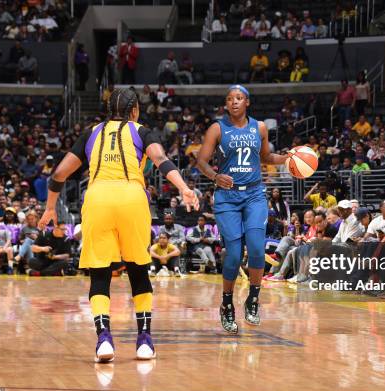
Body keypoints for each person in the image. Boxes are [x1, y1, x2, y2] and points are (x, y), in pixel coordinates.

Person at [38, 87, 198, 362]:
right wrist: (184, 188)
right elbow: (161, 160)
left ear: (109, 110)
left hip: (98, 198)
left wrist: (51, 206)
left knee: (100, 273)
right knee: (138, 270)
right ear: (134, 109)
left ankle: (103, 340)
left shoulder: (91, 132)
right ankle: (144, 340)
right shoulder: (141, 130)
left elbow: (60, 173)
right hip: (132, 198)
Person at [196, 85, 289, 333]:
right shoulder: (217, 128)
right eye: (229, 99)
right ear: (226, 105)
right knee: (235, 254)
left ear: (247, 102)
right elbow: (201, 161)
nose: (234, 102)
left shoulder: (259, 127)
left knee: (258, 249)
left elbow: (267, 158)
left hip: (255, 195)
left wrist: (288, 158)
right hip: (227, 197)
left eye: (239, 98)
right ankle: (227, 304)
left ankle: (253, 299)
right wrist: (215, 177)